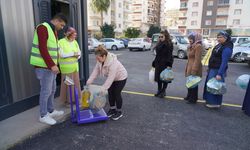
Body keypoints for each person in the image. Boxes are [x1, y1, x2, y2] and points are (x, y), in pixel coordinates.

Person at [30, 13, 67, 125]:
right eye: (61, 25)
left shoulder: (52, 30)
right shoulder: (43, 28)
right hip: (44, 67)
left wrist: (55, 65)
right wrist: (52, 65)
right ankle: (43, 115)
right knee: (46, 91)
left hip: (50, 67)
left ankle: (50, 110)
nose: (62, 27)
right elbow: (43, 49)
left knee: (52, 90)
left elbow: (52, 50)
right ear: (56, 21)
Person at [86, 45, 128, 120]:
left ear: (104, 56)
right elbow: (95, 72)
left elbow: (110, 78)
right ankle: (112, 109)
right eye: (96, 58)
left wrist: (103, 89)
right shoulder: (99, 61)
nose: (97, 59)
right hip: (113, 78)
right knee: (110, 92)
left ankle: (119, 111)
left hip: (121, 77)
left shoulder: (112, 62)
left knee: (116, 93)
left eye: (98, 58)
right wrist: (88, 82)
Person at [203, 30, 233, 108]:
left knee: (215, 87)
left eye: (221, 37)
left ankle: (214, 103)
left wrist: (220, 73)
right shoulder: (220, 45)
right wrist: (209, 67)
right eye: (218, 37)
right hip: (213, 68)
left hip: (217, 70)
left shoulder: (227, 48)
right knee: (211, 85)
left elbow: (224, 62)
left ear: (226, 38)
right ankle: (209, 100)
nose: (219, 39)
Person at [58, 27, 82, 106]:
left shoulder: (75, 42)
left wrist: (77, 56)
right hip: (66, 69)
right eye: (72, 34)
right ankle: (68, 102)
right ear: (65, 33)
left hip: (75, 67)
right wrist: (73, 54)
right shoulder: (60, 42)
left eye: (74, 34)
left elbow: (79, 53)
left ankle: (75, 100)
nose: (74, 36)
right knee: (68, 85)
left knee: (75, 84)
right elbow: (62, 55)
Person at [152, 30, 174, 98]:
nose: (160, 38)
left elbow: (170, 55)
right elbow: (157, 55)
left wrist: (169, 65)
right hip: (158, 63)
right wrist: (154, 62)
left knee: (165, 78)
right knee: (159, 78)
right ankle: (159, 91)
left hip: (165, 63)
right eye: (159, 37)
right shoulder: (159, 43)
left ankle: (163, 91)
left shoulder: (169, 44)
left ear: (166, 37)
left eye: (162, 37)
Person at [184, 32, 202, 104]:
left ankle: (193, 99)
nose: (190, 40)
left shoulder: (198, 46)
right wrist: (189, 47)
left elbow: (197, 59)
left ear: (195, 39)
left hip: (194, 67)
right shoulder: (191, 46)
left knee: (193, 83)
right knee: (189, 82)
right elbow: (189, 57)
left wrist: (194, 70)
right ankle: (189, 96)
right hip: (189, 66)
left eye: (191, 39)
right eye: (189, 39)